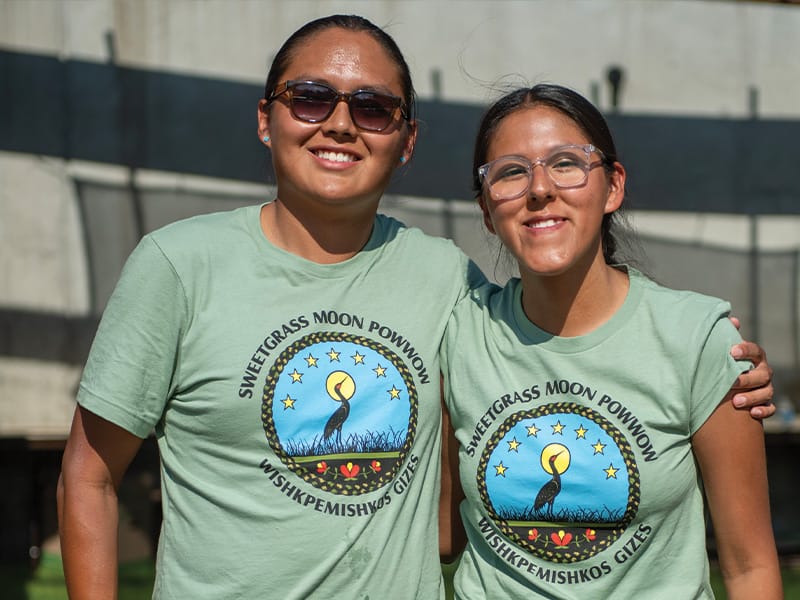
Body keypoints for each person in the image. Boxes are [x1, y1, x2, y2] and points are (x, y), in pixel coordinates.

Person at [56, 14, 774, 599]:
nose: (340, 123)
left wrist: (719, 363)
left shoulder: (446, 282)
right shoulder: (178, 265)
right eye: (311, 97)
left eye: (372, 107)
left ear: (405, 141)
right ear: (265, 119)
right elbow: (88, 475)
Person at [440, 83, 782, 598]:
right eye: (510, 172)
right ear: (487, 211)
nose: (539, 189)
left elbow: (749, 566)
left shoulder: (697, 338)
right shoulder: (457, 330)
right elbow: (444, 533)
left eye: (565, 162)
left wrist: (717, 367)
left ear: (613, 186)